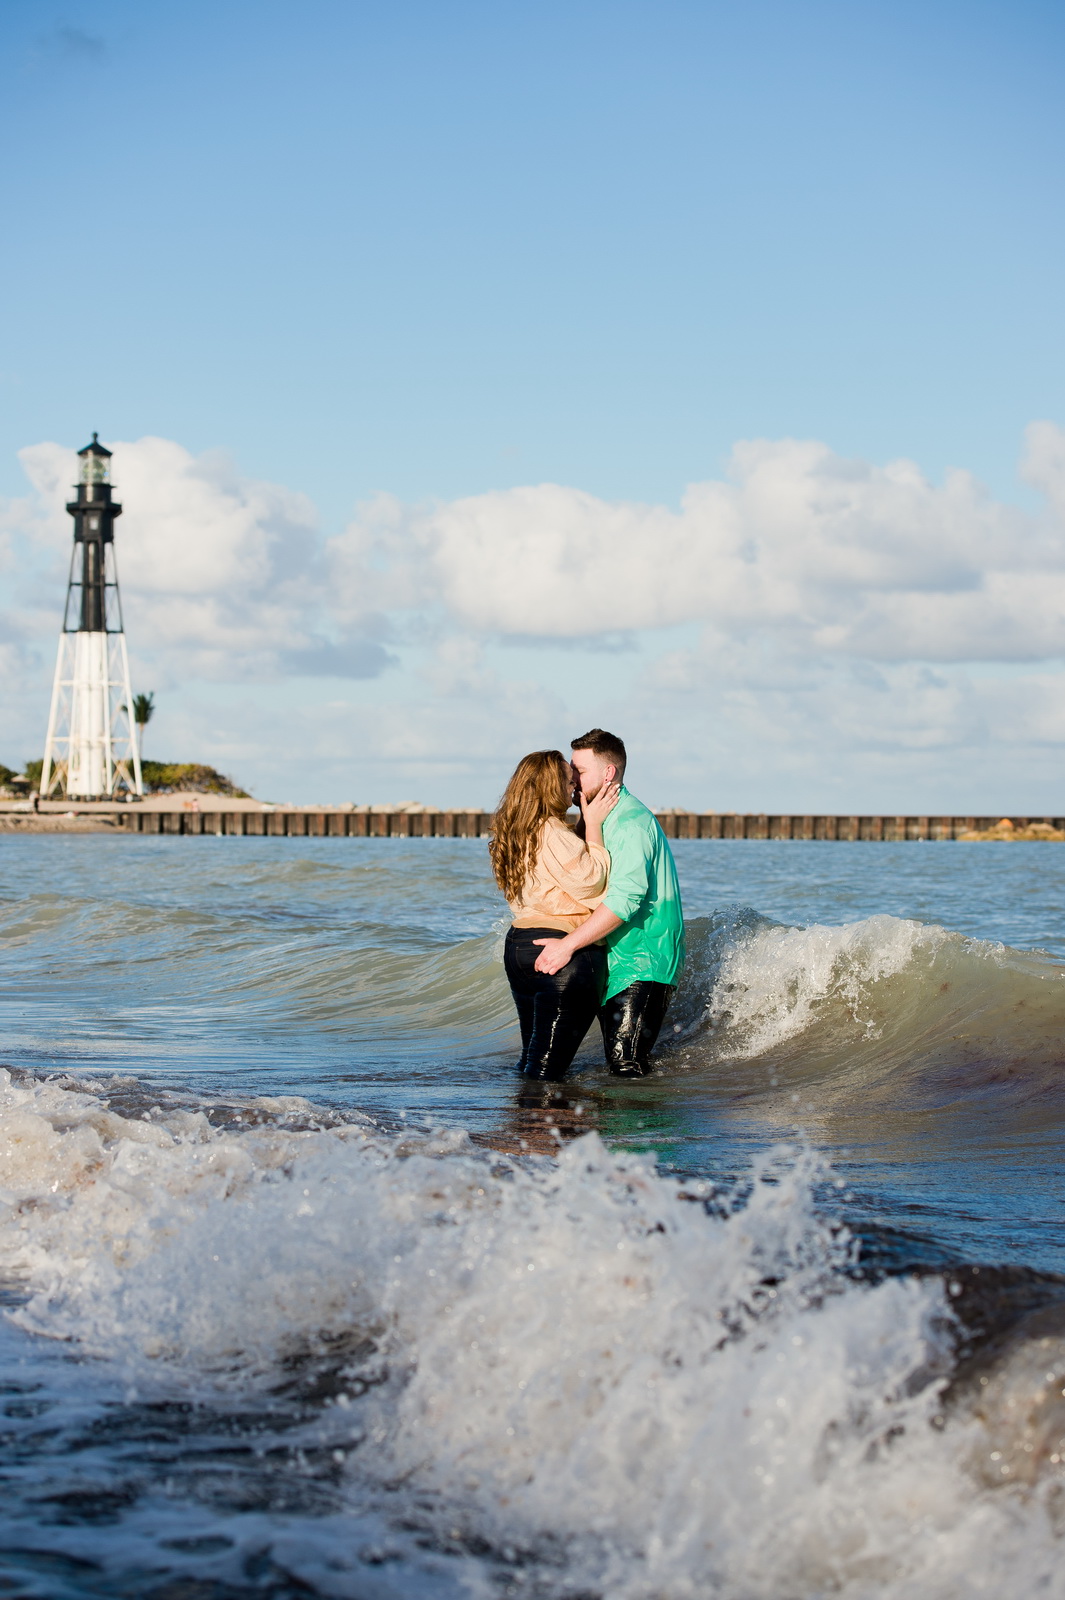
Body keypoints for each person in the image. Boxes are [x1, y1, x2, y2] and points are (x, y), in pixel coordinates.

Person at [534, 729, 684, 1077]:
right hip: (615, 958)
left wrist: (565, 946)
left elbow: (625, 900)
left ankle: (647, 1131)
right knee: (615, 1065)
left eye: (579, 770)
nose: (572, 777)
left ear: (608, 774)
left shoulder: (631, 822)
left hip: (643, 957)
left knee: (626, 1066)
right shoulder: (598, 817)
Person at [489, 750, 620, 1082]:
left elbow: (557, 869)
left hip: (519, 948)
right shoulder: (550, 829)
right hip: (562, 953)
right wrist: (593, 825)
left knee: (530, 1062)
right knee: (546, 1072)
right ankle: (538, 1130)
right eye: (567, 779)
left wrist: (578, 828)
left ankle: (521, 1129)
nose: (573, 784)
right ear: (550, 785)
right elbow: (593, 882)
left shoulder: (514, 829)